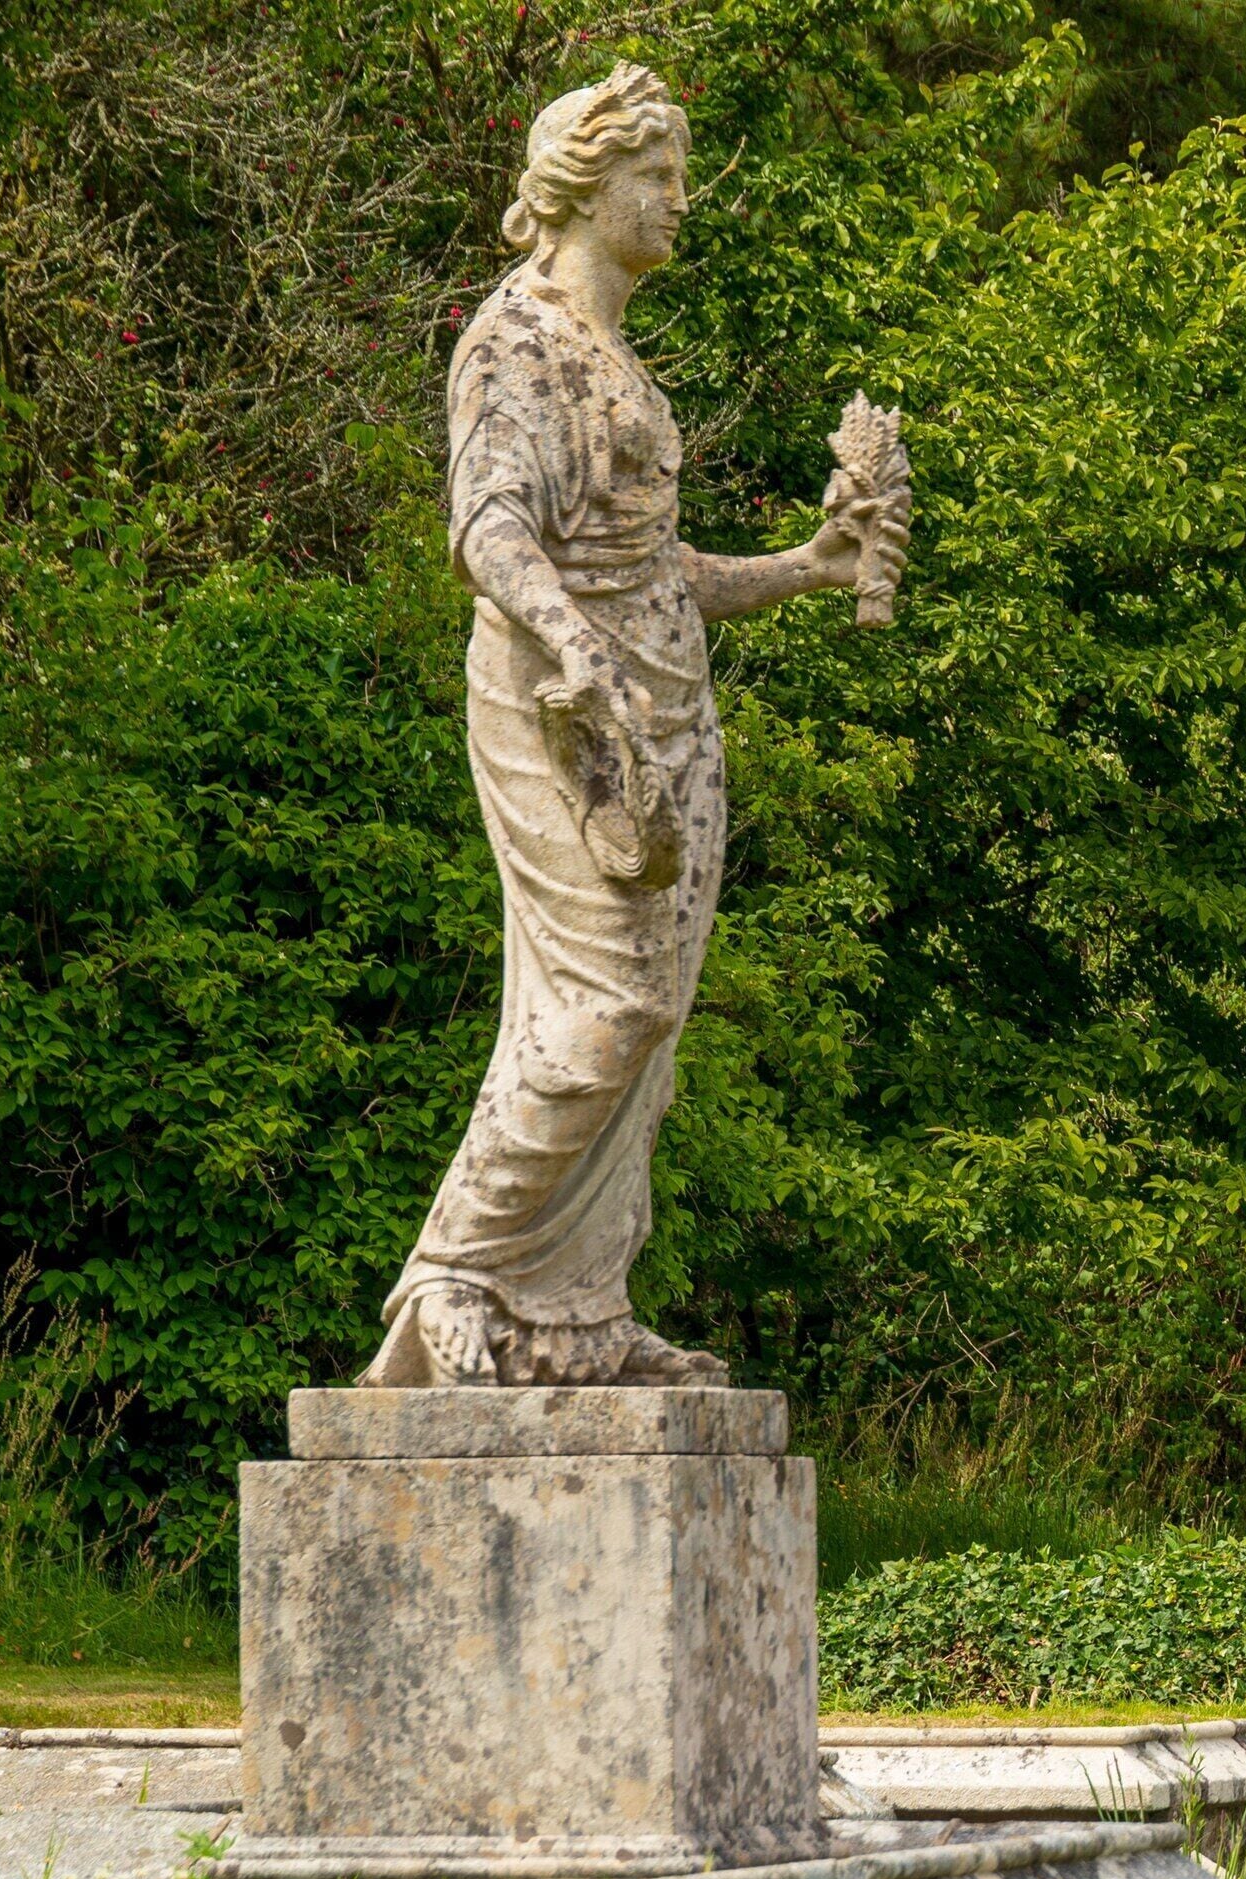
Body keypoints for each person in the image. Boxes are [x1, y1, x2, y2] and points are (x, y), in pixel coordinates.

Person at [358, 66, 905, 1388]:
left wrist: (812, 562)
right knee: (605, 1007)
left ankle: (575, 1318)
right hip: (561, 710)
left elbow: (661, 573)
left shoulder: (615, 357)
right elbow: (489, 530)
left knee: (648, 1035)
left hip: (666, 719)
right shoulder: (518, 338)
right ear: (585, 185)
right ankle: (452, 1277)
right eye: (657, 177)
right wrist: (572, 642)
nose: (677, 201)